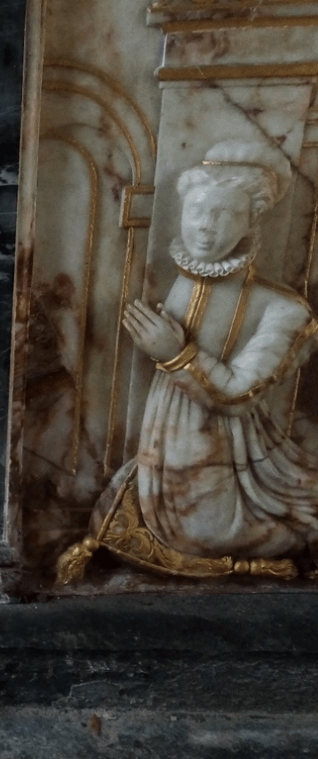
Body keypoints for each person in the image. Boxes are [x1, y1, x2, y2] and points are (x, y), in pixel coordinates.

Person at [59, 140, 318, 583]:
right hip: (165, 441)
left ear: (252, 221)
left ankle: (274, 554)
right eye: (196, 209)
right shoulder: (171, 280)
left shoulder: (284, 310)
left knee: (203, 534)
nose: (205, 226)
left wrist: (176, 354)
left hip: (230, 452)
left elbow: (238, 395)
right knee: (140, 517)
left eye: (225, 214)